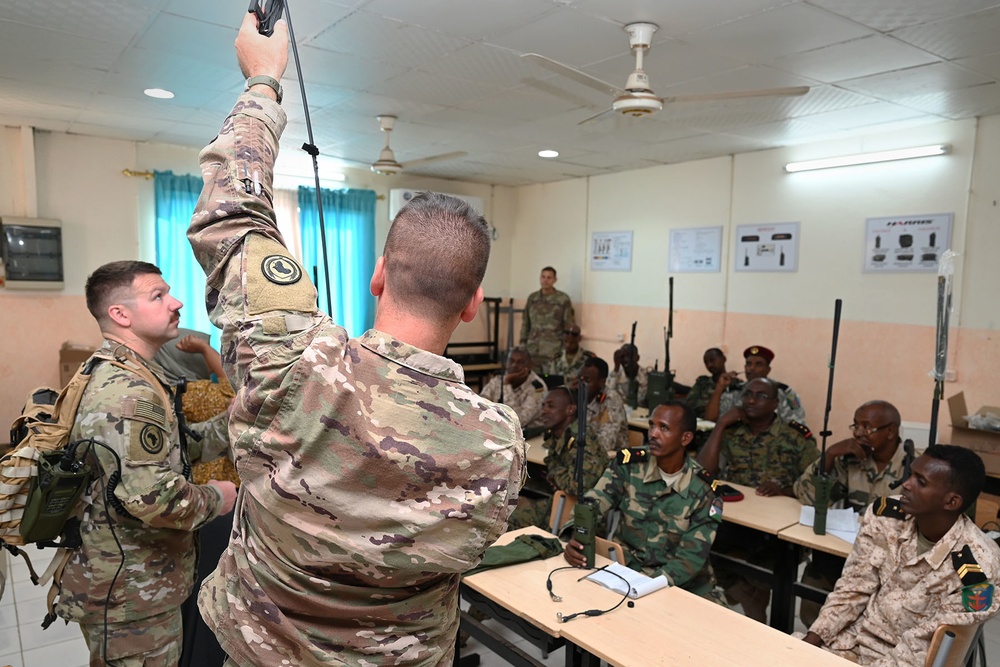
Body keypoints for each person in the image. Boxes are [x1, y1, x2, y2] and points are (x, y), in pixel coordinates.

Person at [187, 15, 525, 667]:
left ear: (377, 275)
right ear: (473, 304)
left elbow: (230, 216)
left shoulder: (292, 362)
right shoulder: (498, 440)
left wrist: (264, 80)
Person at [54, 260, 237, 666]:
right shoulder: (127, 392)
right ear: (120, 314)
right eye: (158, 296)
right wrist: (217, 497)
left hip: (137, 580)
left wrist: (237, 417)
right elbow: (154, 499)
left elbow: (176, 449)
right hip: (129, 591)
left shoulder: (131, 373)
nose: (176, 303)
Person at [803, 446, 1000, 666]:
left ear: (951, 502)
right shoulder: (886, 518)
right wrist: (809, 642)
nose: (906, 484)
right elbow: (853, 588)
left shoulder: (978, 567)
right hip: (851, 642)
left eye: (921, 482)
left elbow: (922, 651)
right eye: (911, 474)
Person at [563, 401, 723, 598]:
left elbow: (690, 559)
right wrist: (577, 537)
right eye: (652, 425)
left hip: (682, 583)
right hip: (627, 571)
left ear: (685, 438)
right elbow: (594, 502)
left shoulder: (703, 490)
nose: (653, 434)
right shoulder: (629, 466)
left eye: (663, 428)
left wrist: (649, 587)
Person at [697, 377, 818, 622]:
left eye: (761, 396)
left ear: (775, 403)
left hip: (776, 529)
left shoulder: (794, 436)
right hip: (735, 520)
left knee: (762, 570)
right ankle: (749, 603)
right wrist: (720, 424)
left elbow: (817, 482)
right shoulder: (731, 432)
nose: (752, 400)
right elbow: (703, 473)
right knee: (699, 547)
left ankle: (756, 612)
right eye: (747, 394)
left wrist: (787, 490)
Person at [793, 400, 910, 627]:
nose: (858, 433)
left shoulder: (913, 466)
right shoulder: (850, 459)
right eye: (855, 425)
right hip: (848, 553)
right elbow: (805, 495)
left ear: (891, 431)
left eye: (867, 427)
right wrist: (829, 456)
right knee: (812, 596)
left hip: (891, 563)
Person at [507, 387, 608, 531]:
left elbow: (578, 486)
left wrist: (554, 473)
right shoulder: (558, 436)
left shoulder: (582, 441)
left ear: (570, 410)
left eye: (551, 406)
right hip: (561, 502)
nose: (544, 411)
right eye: (543, 406)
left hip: (582, 515)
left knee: (513, 521)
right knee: (507, 517)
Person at [704, 345, 806, 424]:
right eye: (749, 364)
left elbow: (796, 425)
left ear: (768, 369)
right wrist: (719, 388)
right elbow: (710, 419)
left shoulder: (785, 394)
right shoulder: (734, 391)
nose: (751, 368)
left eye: (758, 364)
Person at [520, 266, 575, 371]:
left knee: (550, 381)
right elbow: (526, 323)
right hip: (532, 349)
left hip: (553, 350)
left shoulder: (563, 299)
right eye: (543, 277)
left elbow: (568, 325)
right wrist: (523, 344)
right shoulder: (532, 298)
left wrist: (565, 349)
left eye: (549, 278)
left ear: (555, 280)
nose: (545, 280)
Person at [480, 347, 547, 430]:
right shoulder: (498, 380)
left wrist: (507, 384)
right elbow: (480, 404)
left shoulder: (537, 388)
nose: (514, 365)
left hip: (526, 435)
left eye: (520, 362)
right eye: (511, 361)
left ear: (529, 365)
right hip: (497, 429)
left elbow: (517, 421)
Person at [579, 356, 628, 453]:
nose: (582, 384)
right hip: (586, 452)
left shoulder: (611, 399)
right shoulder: (580, 396)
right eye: (581, 379)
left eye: (587, 381)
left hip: (612, 458)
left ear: (602, 382)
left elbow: (606, 443)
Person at [684, 347, 727, 418]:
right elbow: (689, 405)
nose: (709, 365)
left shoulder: (735, 384)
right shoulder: (702, 383)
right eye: (706, 362)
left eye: (712, 360)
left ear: (724, 359)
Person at [608, 343, 649, 407]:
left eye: (629, 356)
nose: (626, 360)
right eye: (623, 357)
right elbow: (609, 393)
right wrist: (616, 367)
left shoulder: (646, 375)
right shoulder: (615, 375)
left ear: (637, 358)